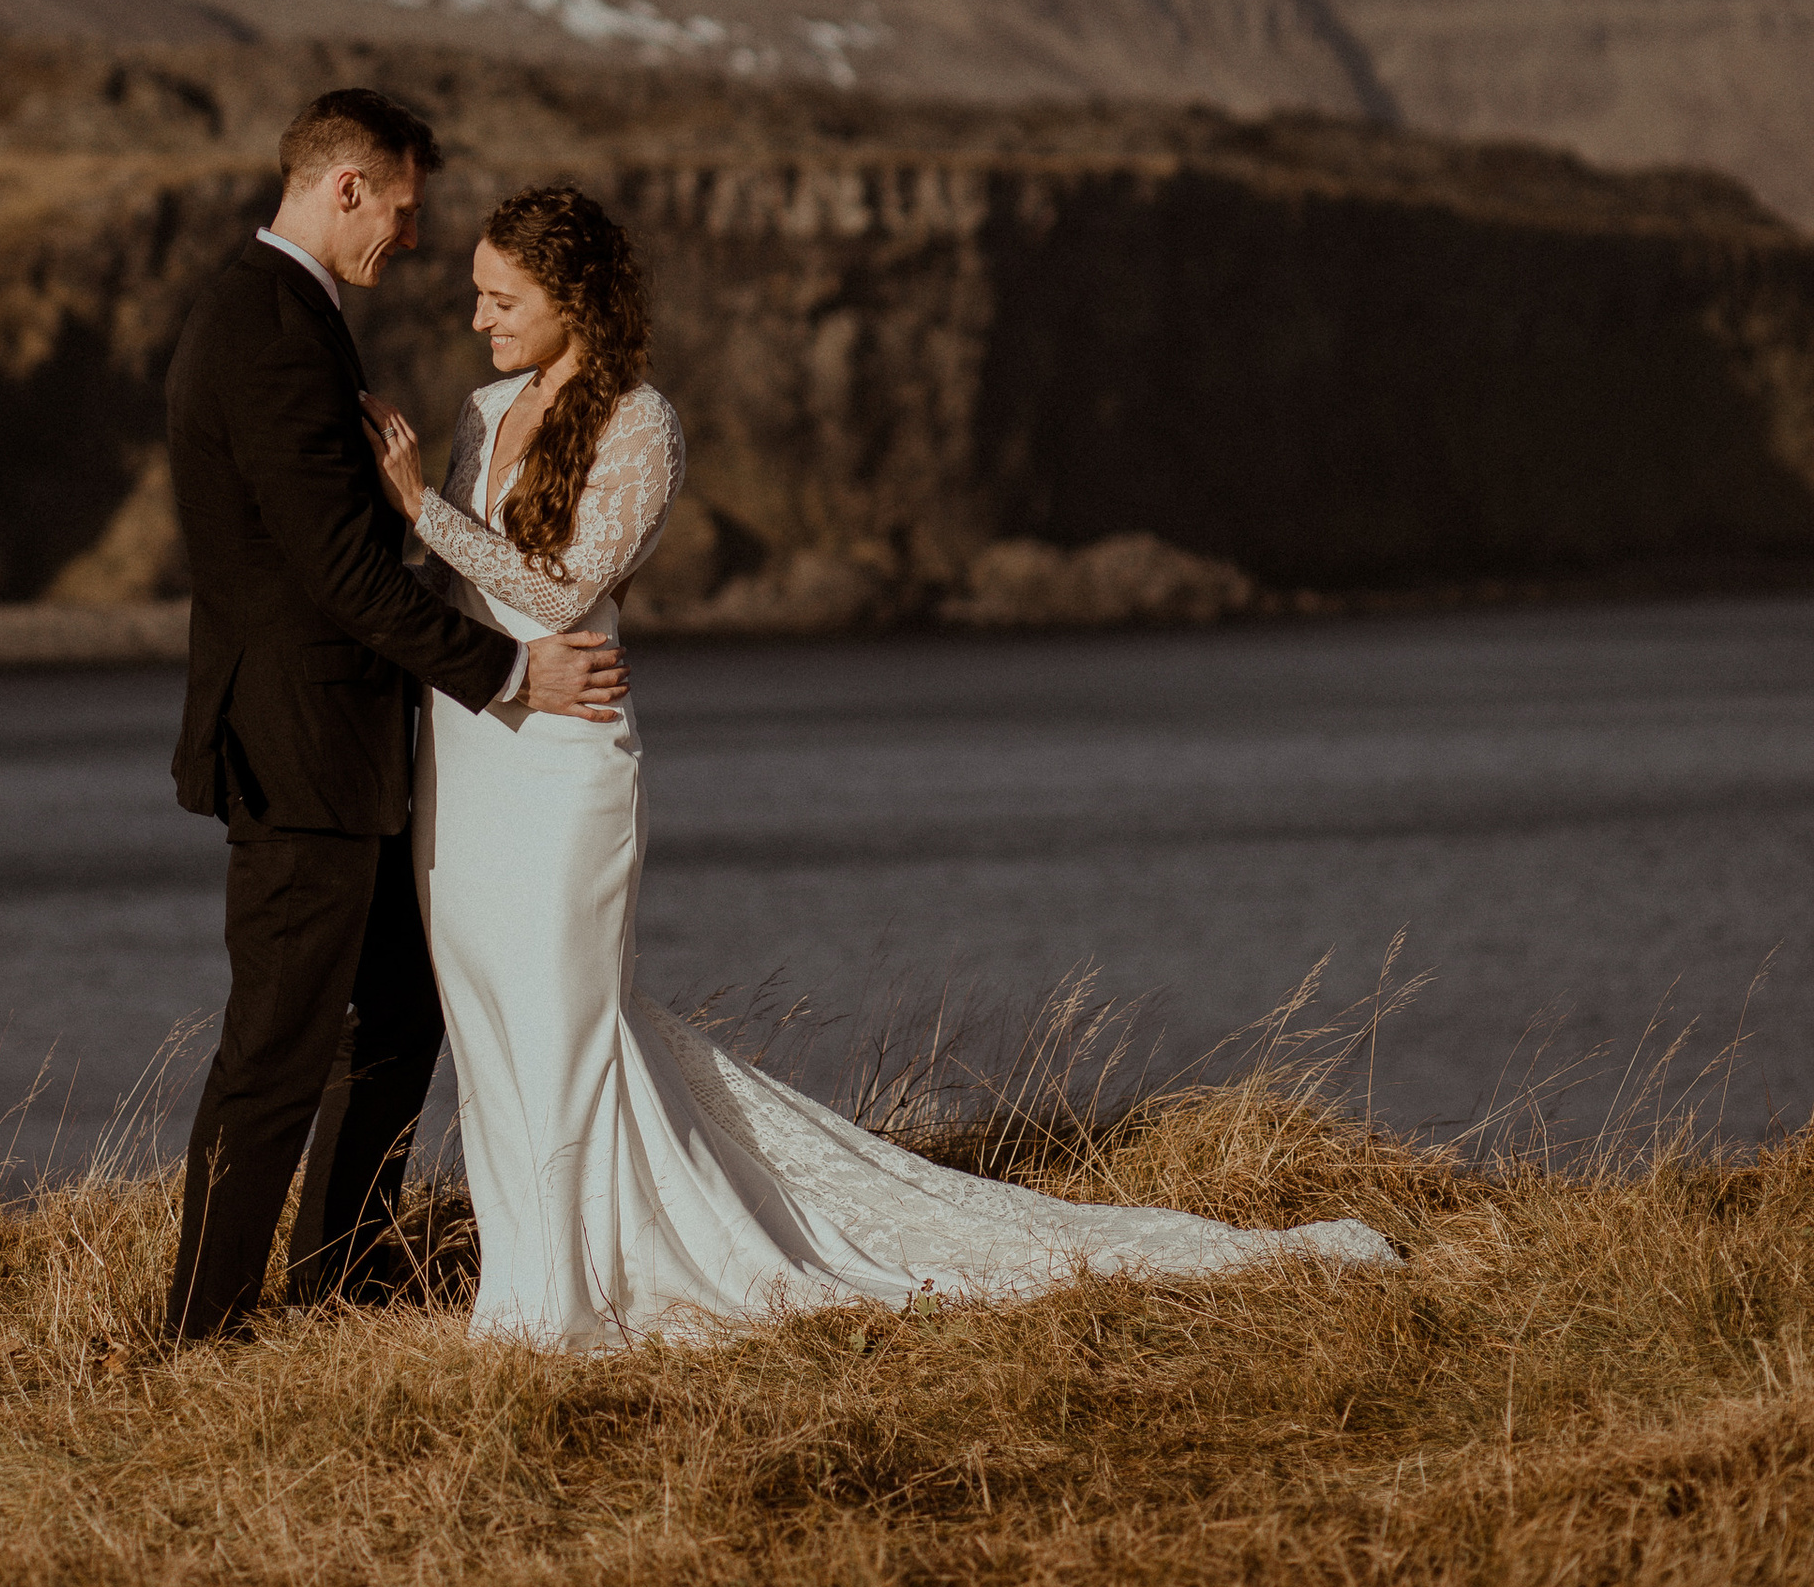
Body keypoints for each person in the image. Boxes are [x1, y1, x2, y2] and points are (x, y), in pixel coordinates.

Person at [364, 181, 1397, 1350]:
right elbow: (453, 590)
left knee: (565, 1013)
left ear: (572, 297)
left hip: (563, 768)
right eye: (475, 298)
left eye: (499, 299)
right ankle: (536, 1269)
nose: (476, 321)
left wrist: (418, 506)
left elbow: (557, 595)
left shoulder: (643, 423)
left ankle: (560, 1303)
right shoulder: (478, 408)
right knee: (493, 1014)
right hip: (470, 755)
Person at [161, 88, 628, 1344]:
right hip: (302, 752)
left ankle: (341, 1277)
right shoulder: (269, 326)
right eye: (406, 212)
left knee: (404, 1011)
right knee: (276, 1048)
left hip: (341, 748)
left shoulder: (286, 313)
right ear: (346, 188)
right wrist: (512, 674)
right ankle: (200, 1329)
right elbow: (341, 574)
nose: (411, 243)